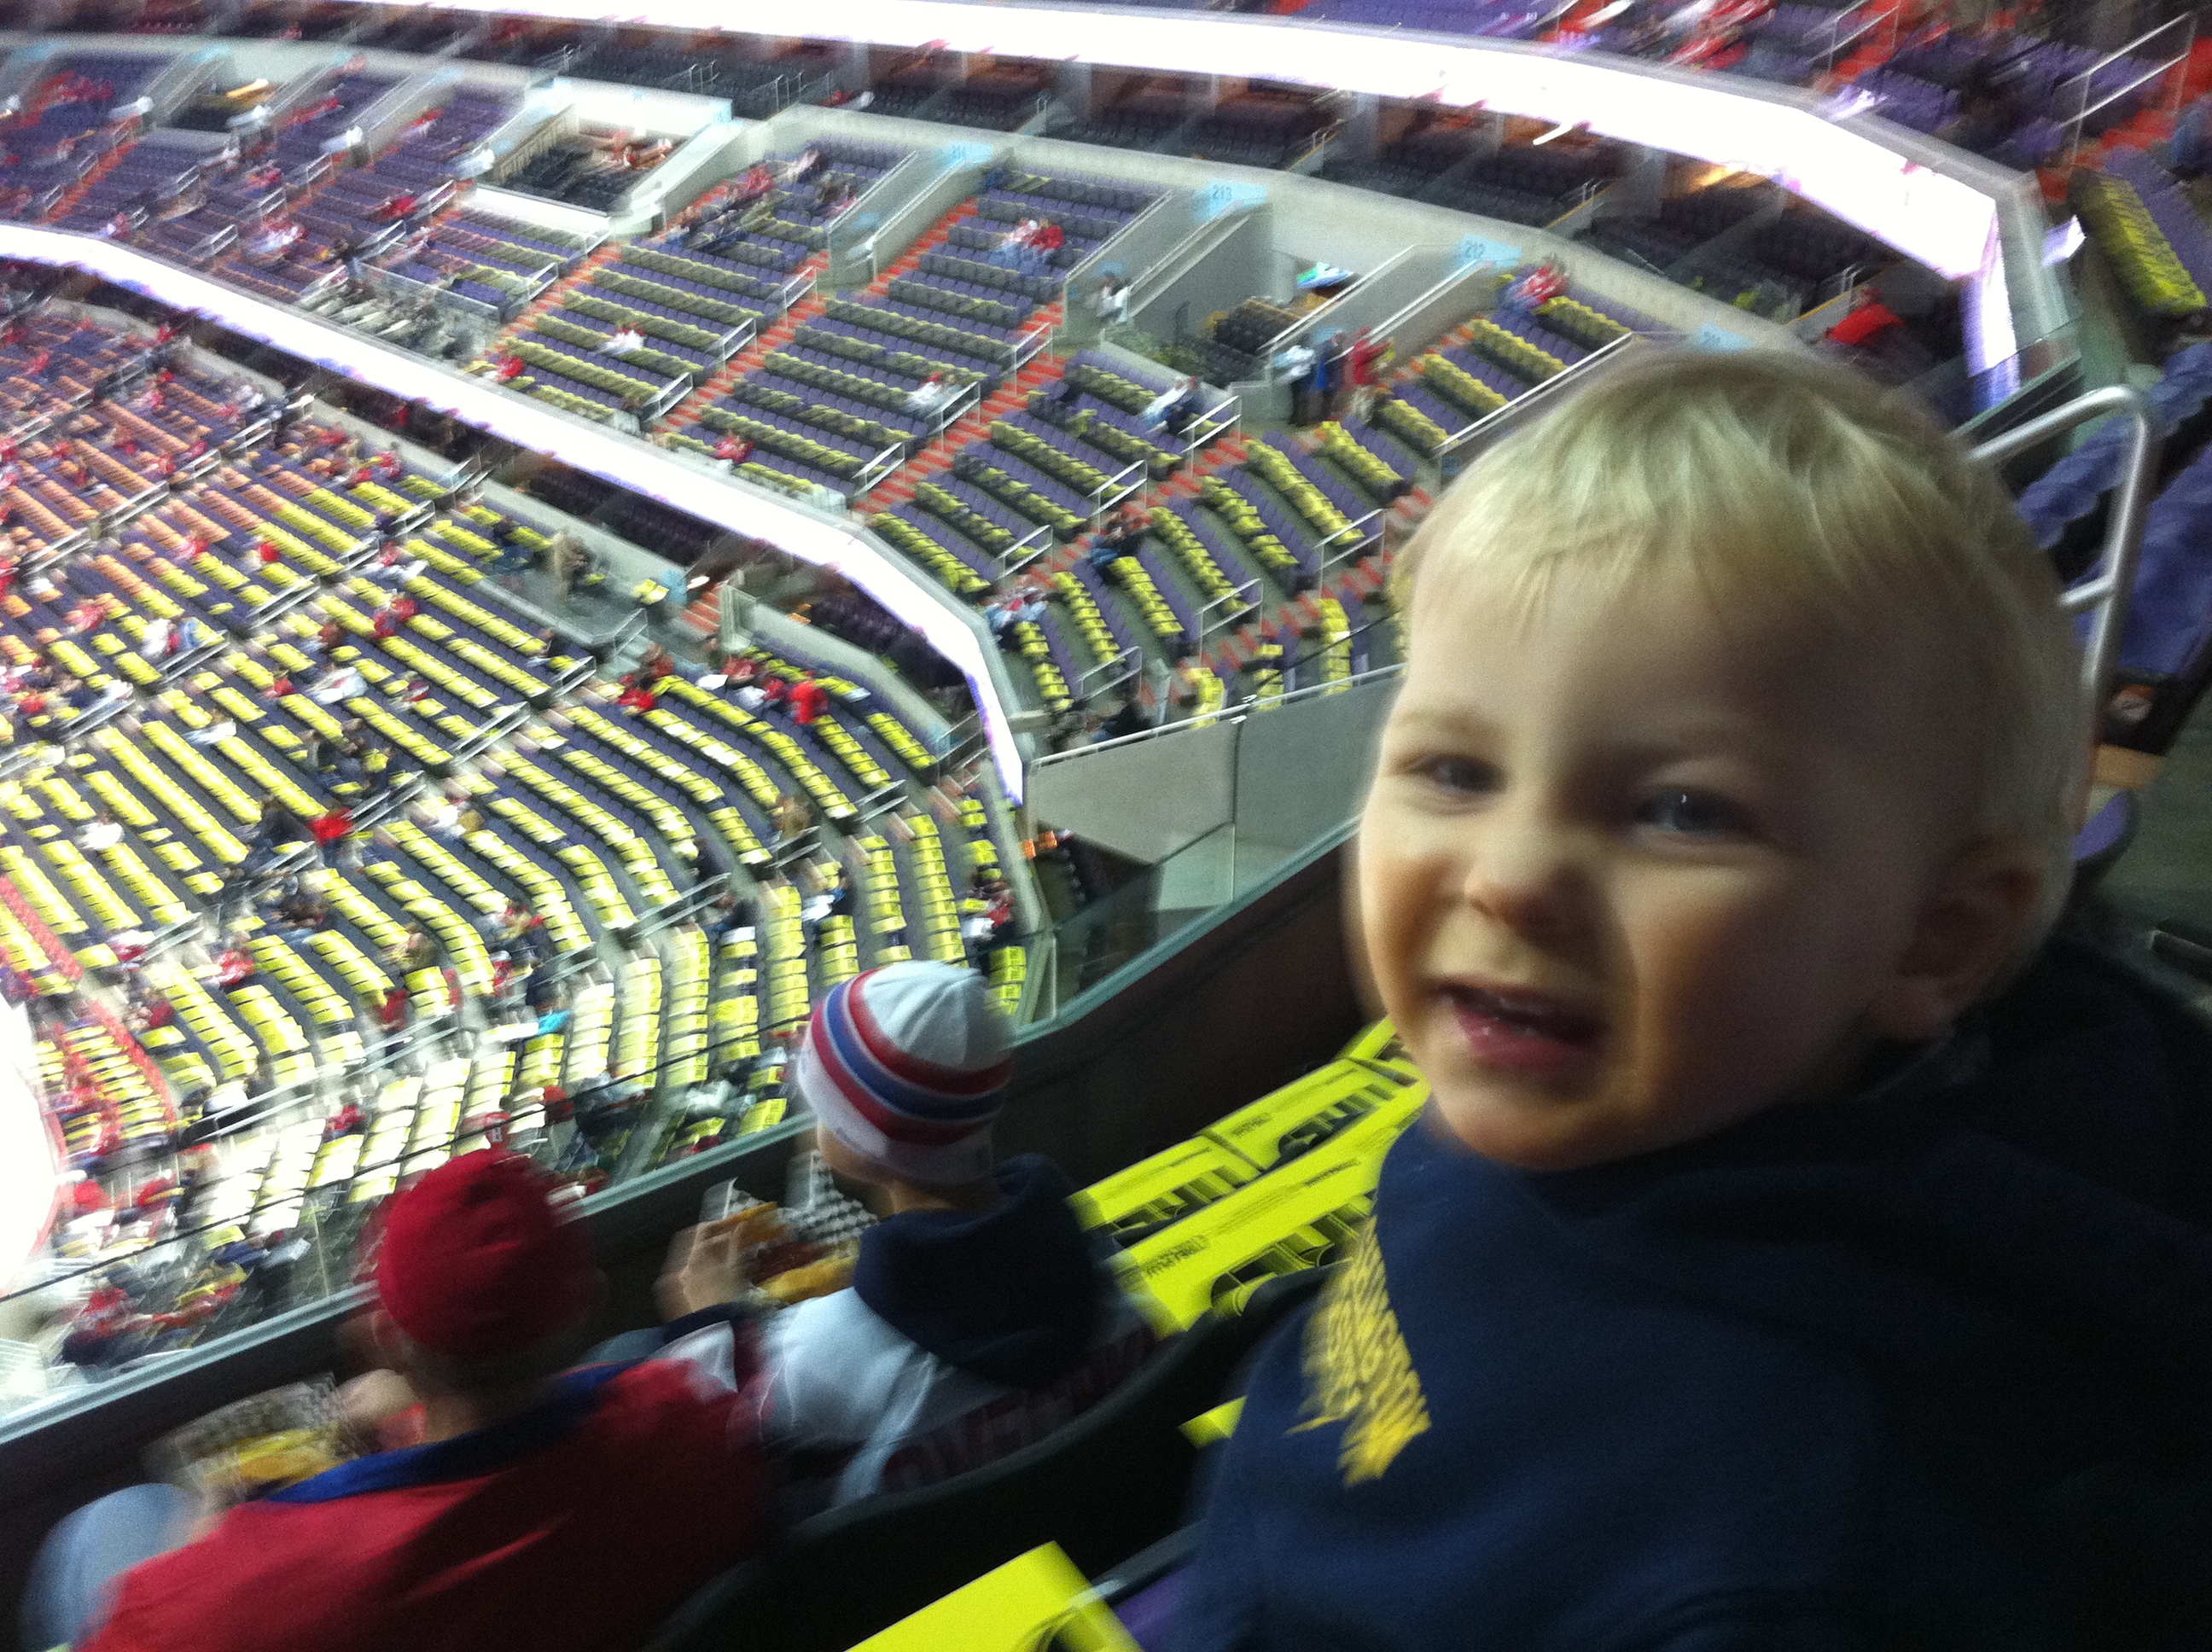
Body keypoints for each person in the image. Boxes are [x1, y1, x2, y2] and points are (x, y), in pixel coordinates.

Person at [1177, 351, 2212, 1650]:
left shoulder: (1785, 1551)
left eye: (1681, 811)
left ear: (1936, 939)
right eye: (1454, 770)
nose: (1509, 879)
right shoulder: (1606, 1085)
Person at [25, 1152, 771, 1652]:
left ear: (384, 1337)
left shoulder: (243, 1589)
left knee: (107, 1525)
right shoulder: (699, 1427)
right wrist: (404, 1423)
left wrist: (196, 1557)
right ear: (589, 1300)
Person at [653, 963, 1150, 1509]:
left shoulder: (826, 1344)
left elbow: (715, 1443)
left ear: (861, 1144)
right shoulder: (1084, 1246)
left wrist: (708, 1322)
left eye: (822, 1110)